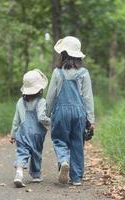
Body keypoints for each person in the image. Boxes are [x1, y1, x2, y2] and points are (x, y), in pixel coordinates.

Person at [46, 36, 95, 186]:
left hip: (61, 112)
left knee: (59, 139)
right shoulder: (84, 73)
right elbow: (88, 97)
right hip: (79, 112)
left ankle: (63, 160)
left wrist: (46, 114)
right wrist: (91, 119)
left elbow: (51, 96)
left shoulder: (57, 72)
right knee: (77, 143)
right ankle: (77, 178)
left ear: (63, 54)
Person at [10, 69, 50, 188]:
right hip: (37, 134)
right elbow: (41, 118)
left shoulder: (20, 102)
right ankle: (36, 175)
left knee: (22, 152)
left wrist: (13, 134)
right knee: (36, 153)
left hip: (22, 133)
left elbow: (16, 120)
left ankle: (19, 172)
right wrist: (51, 122)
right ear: (40, 89)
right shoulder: (42, 101)